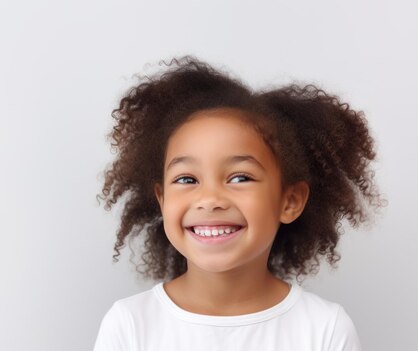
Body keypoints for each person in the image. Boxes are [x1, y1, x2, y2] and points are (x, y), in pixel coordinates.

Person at [94, 56, 384, 351]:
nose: (210, 199)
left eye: (240, 177)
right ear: (162, 199)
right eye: (186, 179)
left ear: (290, 201)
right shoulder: (129, 325)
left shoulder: (325, 329)